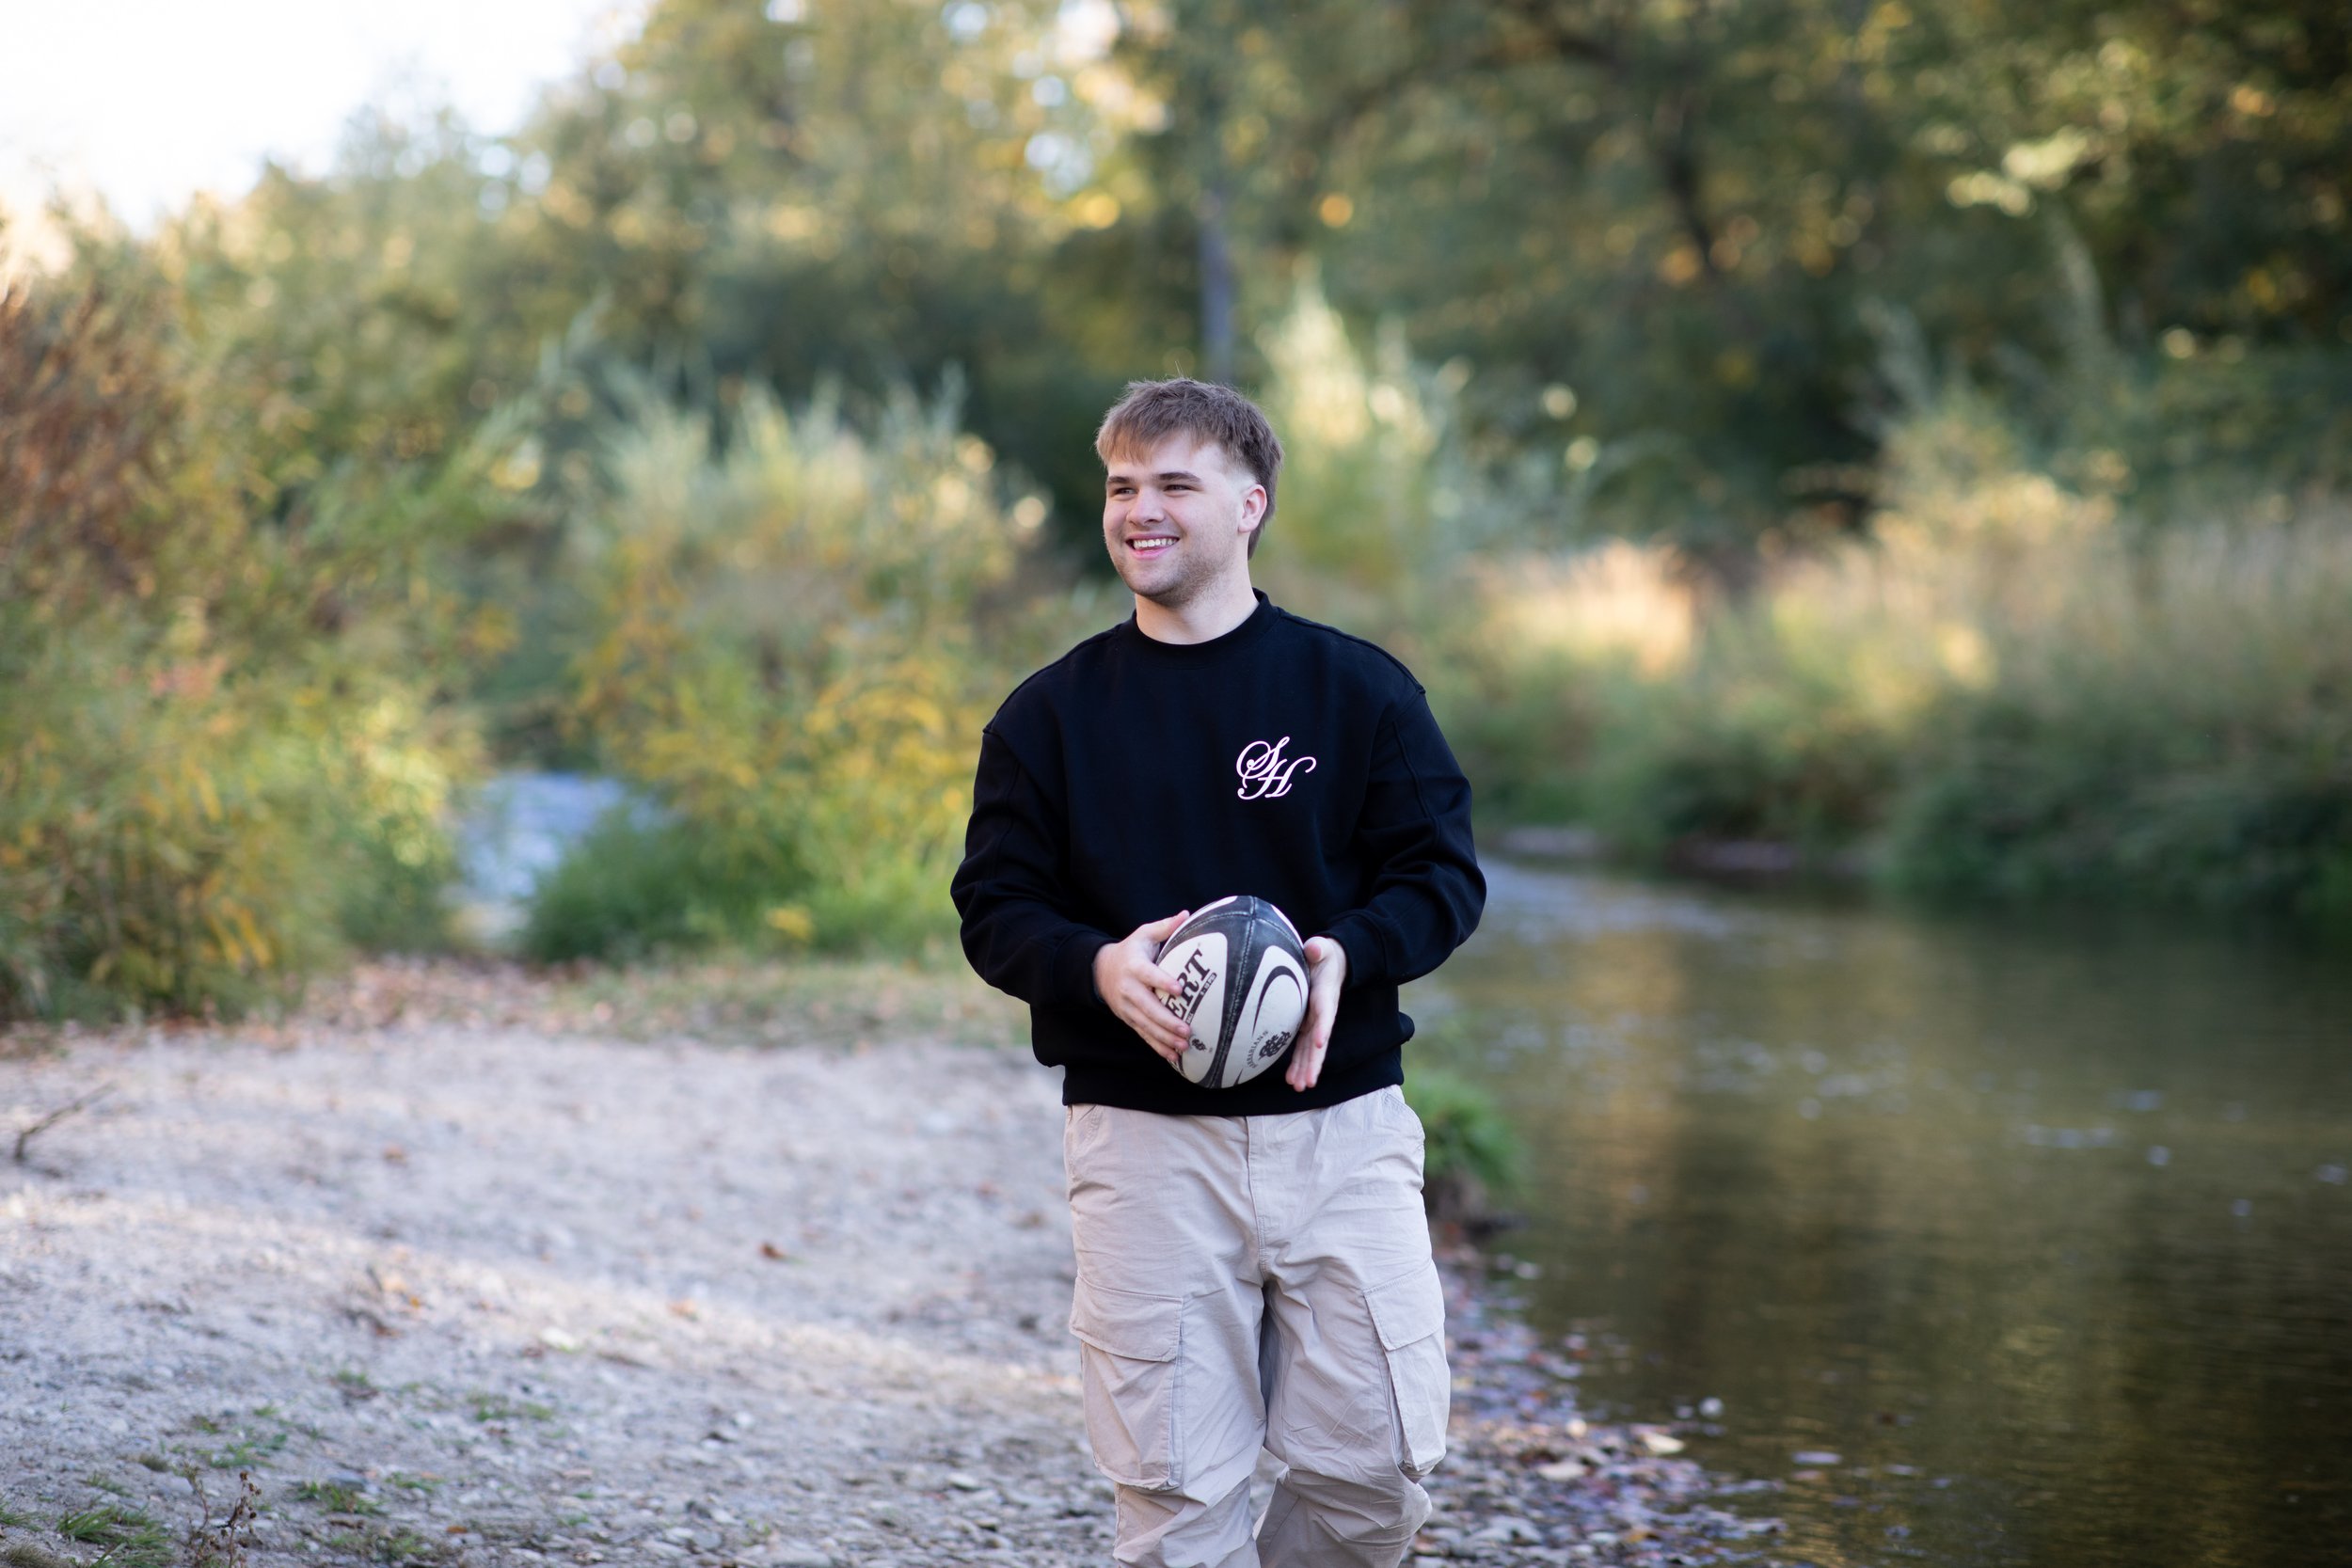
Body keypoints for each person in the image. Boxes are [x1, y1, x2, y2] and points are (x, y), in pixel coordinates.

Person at [951, 378, 1485, 1568]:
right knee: (1177, 1492)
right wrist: (1095, 966)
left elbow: (1441, 877)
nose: (1139, 510)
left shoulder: (1357, 691)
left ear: (1249, 503)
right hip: (1143, 1144)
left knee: (1379, 1470)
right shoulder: (1048, 717)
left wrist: (1350, 950)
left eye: (1172, 485)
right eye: (1121, 487)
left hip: (1340, 1127)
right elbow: (993, 906)